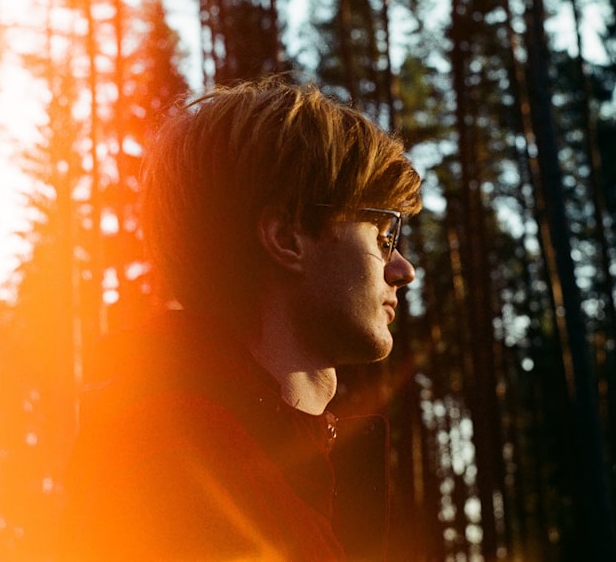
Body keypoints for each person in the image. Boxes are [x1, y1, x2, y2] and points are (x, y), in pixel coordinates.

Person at [61, 78, 422, 560]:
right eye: (382, 236)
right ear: (288, 239)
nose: (404, 270)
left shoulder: (265, 470)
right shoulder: (177, 474)